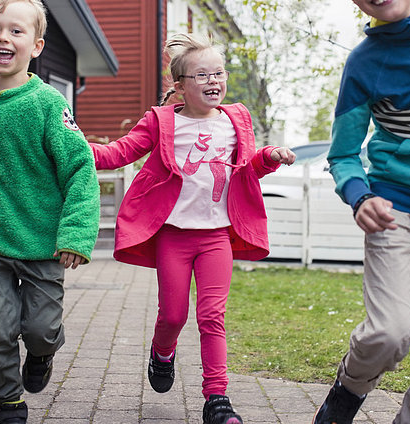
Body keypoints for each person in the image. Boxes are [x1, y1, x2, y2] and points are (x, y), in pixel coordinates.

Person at [90, 32, 295, 424]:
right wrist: (75, 147)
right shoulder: (162, 120)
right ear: (180, 85)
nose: (213, 81)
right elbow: (120, 152)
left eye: (218, 72)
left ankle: (217, 399)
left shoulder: (237, 118)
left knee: (212, 315)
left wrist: (270, 157)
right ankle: (161, 352)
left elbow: (247, 166)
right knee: (172, 315)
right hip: (174, 234)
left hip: (217, 234)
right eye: (201, 75)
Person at [313, 0, 410, 424]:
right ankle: (349, 388)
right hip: (394, 211)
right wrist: (360, 196)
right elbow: (342, 153)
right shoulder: (364, 63)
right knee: (390, 332)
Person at [0, 0, 100, 424]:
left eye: (15, 30)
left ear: (36, 47)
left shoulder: (48, 104)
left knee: (39, 330)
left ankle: (42, 354)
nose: (3, 37)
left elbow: (80, 169)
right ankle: (8, 401)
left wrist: (74, 234)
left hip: (41, 245)